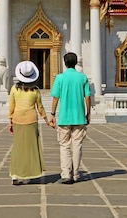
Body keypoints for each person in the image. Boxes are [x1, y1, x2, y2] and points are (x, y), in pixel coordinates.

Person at [49, 52, 91, 184]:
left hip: (64, 118)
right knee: (77, 145)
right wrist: (88, 113)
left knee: (64, 146)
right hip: (79, 117)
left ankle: (66, 174)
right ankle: (76, 174)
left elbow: (55, 97)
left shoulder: (60, 78)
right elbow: (88, 97)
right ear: (76, 62)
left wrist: (52, 113)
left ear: (65, 63)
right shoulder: (82, 78)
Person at [8, 60, 52, 185]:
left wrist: (10, 122)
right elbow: (40, 107)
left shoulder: (14, 90)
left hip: (17, 120)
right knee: (30, 149)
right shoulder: (35, 91)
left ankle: (15, 175)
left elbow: (11, 107)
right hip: (31, 121)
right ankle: (27, 174)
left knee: (17, 147)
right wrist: (47, 120)